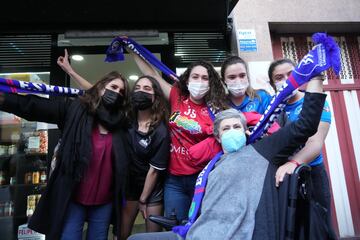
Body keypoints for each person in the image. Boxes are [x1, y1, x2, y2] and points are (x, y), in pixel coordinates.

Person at [127, 75, 328, 240]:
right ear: (218, 136)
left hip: (240, 233)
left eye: (237, 127)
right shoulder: (211, 166)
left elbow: (306, 125)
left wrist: (316, 77)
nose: (232, 131)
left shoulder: (263, 150)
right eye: (226, 128)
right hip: (198, 232)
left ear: (246, 131)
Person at [0, 70, 131, 240]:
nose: (117, 93)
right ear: (99, 88)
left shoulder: (122, 124)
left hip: (104, 203)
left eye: (122, 92)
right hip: (73, 198)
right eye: (113, 87)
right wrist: (5, 99)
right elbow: (35, 107)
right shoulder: (75, 109)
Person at [57, 50, 170, 239]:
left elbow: (154, 170)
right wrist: (70, 71)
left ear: (155, 97)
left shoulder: (161, 129)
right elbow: (95, 91)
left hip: (152, 189)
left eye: (148, 89)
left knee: (153, 237)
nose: (142, 91)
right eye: (138, 88)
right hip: (128, 186)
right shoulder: (125, 118)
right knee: (121, 234)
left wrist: (144, 199)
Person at [127, 48, 228, 222]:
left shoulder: (215, 110)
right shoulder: (177, 96)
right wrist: (131, 49)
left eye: (205, 78)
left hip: (202, 178)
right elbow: (152, 74)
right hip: (174, 181)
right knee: (175, 228)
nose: (200, 81)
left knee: (201, 226)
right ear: (187, 80)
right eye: (195, 77)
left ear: (211, 83)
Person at [268, 58, 335, 233]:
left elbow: (315, 143)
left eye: (290, 74)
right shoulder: (273, 109)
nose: (286, 79)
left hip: (312, 174)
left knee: (320, 226)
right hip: (283, 178)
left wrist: (293, 163)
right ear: (272, 83)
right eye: (279, 77)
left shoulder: (314, 102)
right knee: (293, 229)